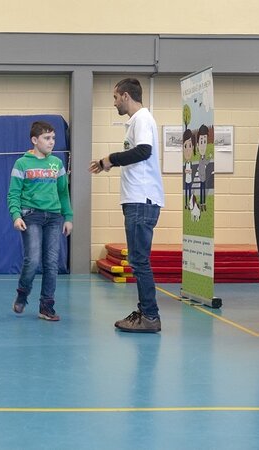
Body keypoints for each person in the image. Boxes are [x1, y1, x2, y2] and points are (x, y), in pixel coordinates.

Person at [89, 78, 165, 333]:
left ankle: (150, 316)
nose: (114, 103)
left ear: (125, 96)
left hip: (141, 200)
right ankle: (146, 313)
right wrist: (107, 163)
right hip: (137, 200)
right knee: (138, 260)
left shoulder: (142, 119)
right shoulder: (137, 121)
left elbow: (144, 151)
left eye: (115, 97)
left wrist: (110, 159)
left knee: (139, 261)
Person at [7, 122, 73, 321]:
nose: (51, 142)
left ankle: (46, 306)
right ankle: (23, 293)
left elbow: (63, 192)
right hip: (31, 215)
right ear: (35, 140)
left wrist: (68, 217)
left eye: (53, 138)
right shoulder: (22, 164)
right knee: (33, 260)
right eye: (47, 138)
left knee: (51, 262)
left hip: (53, 217)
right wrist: (16, 215)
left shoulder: (57, 163)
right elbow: (13, 193)